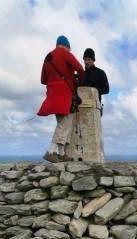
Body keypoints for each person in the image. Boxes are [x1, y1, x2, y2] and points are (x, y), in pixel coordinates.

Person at [38, 35, 84, 163]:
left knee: (62, 123)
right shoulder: (65, 53)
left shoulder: (48, 57)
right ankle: (51, 151)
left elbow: (43, 80)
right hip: (65, 94)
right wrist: (79, 82)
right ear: (67, 46)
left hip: (52, 95)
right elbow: (80, 68)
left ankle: (61, 153)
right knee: (65, 122)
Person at [82, 48, 109, 115]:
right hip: (82, 107)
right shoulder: (82, 74)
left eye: (89, 59)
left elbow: (106, 89)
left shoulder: (100, 73)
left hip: (95, 108)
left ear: (93, 60)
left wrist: (93, 90)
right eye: (85, 59)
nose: (86, 62)